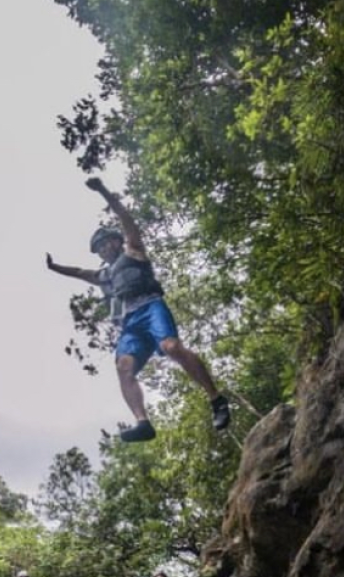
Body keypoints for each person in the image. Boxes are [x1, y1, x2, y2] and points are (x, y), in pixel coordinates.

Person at [45, 177, 230, 442]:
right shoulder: (104, 275)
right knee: (123, 366)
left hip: (150, 307)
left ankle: (216, 399)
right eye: (99, 247)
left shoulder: (133, 251)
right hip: (130, 324)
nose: (105, 248)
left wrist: (102, 191)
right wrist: (54, 267)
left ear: (117, 241)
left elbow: (125, 216)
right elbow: (77, 272)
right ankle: (143, 423)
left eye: (108, 242)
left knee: (172, 348)